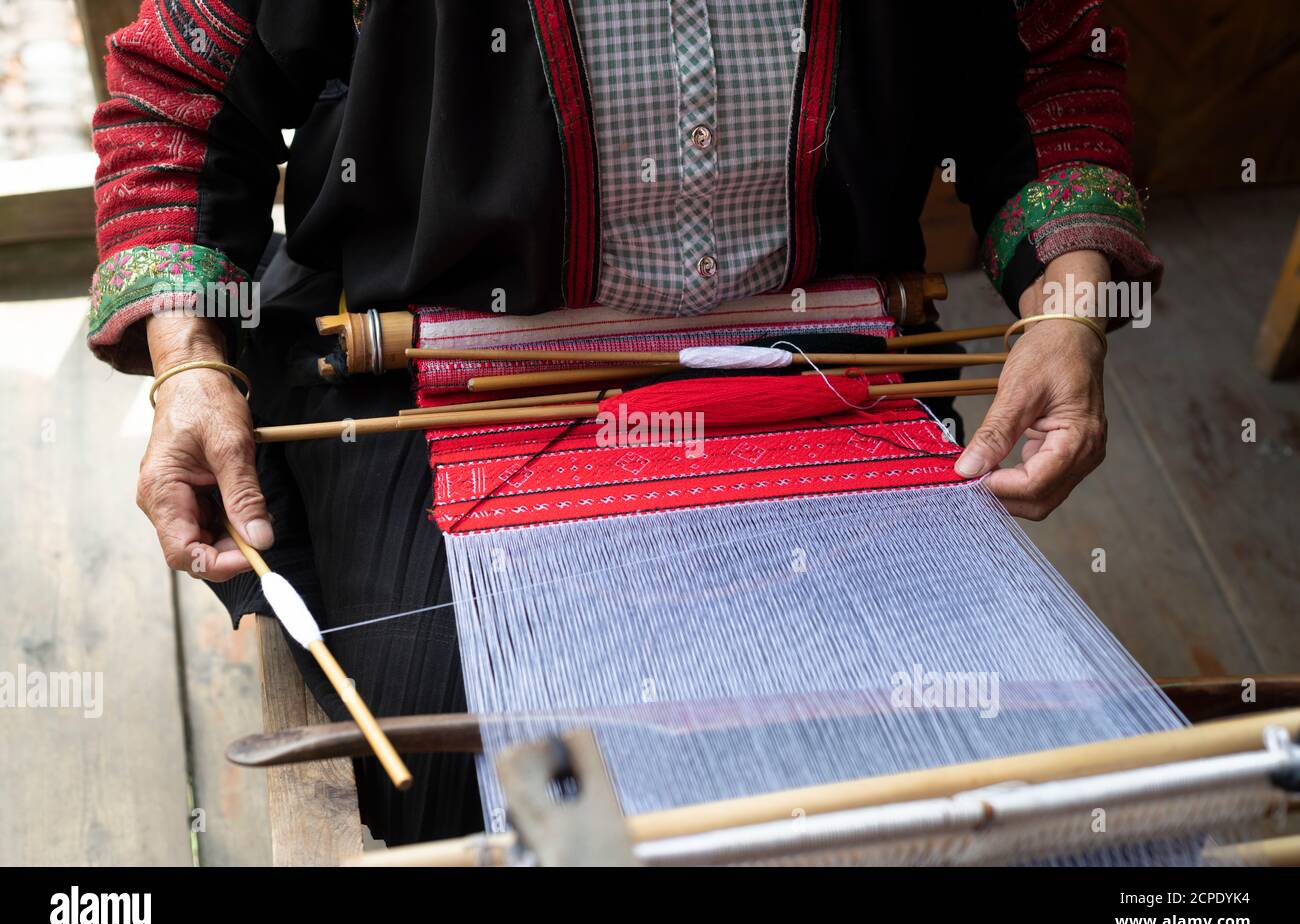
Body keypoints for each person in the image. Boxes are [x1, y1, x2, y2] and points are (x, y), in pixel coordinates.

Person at [88, 0, 1161, 844]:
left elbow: (1050, 64)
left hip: (802, 353)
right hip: (445, 356)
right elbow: (181, 90)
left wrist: (1070, 306)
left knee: (965, 755)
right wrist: (186, 364)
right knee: (477, 761)